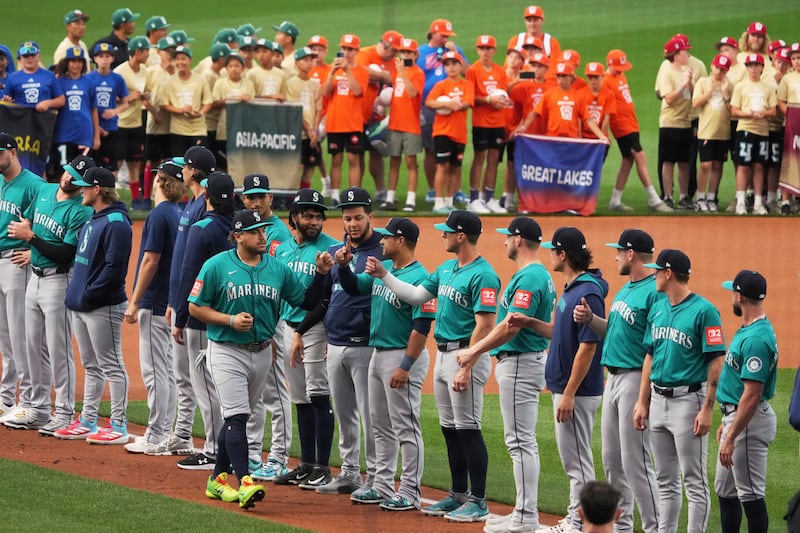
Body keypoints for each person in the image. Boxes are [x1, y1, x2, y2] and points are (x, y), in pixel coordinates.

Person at [190, 209, 331, 510]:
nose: (262, 236)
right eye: (255, 232)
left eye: (264, 231)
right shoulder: (216, 266)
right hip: (226, 350)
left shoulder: (277, 268)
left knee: (235, 418)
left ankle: (216, 480)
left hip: (262, 353)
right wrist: (228, 319)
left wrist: (320, 274)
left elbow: (307, 301)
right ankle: (245, 481)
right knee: (239, 416)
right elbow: (195, 307)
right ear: (238, 236)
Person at [366, 209, 499, 523]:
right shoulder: (447, 268)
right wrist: (384, 275)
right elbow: (414, 296)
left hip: (466, 355)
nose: (443, 235)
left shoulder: (484, 274)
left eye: (447, 231)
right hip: (443, 355)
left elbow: (486, 324)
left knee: (468, 428)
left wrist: (469, 363)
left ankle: (479, 501)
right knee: (450, 429)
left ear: (461, 235)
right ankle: (457, 495)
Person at [455, 216, 555, 533]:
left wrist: (474, 351)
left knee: (520, 443)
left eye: (507, 237)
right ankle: (521, 513)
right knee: (521, 442)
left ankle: (525, 518)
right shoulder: (534, 275)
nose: (504, 241)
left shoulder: (530, 278)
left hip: (521, 361)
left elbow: (511, 326)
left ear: (519, 240)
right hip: (524, 360)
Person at [512, 226, 608, 533]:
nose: (551, 255)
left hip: (576, 392)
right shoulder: (572, 288)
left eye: (553, 250)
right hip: (568, 388)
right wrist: (530, 322)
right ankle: (575, 517)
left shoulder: (587, 292)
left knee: (577, 461)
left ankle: (579, 521)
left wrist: (568, 393)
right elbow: (561, 333)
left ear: (562, 254)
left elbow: (588, 346)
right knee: (574, 460)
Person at [335, 217, 434, 510]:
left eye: (387, 238)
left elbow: (422, 327)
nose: (381, 241)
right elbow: (355, 288)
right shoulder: (385, 268)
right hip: (377, 353)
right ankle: (380, 484)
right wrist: (343, 267)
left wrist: (405, 365)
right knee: (379, 424)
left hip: (402, 355)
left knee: (406, 426)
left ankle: (410, 491)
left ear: (401, 241)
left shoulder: (421, 278)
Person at [572, 229, 662, 533]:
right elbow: (615, 330)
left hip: (636, 378)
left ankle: (655, 528)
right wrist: (590, 320)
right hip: (613, 378)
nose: (616, 256)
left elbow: (656, 345)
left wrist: (644, 396)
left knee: (636, 463)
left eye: (619, 251)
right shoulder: (626, 290)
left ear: (632, 253)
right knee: (612, 460)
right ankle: (620, 527)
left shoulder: (653, 293)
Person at [633, 249, 726, 533]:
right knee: (665, 480)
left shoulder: (705, 311)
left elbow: (717, 360)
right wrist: (642, 401)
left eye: (657, 270)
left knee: (694, 481)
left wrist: (708, 409)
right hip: (658, 400)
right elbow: (650, 354)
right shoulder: (659, 306)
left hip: (689, 402)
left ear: (669, 273)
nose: (654, 274)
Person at [2, 156, 92, 433]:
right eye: (67, 173)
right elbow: (26, 218)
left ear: (84, 185)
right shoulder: (44, 190)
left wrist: (32, 241)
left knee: (59, 349)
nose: (67, 180)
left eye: (74, 179)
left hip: (58, 281)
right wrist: (30, 241)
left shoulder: (81, 211)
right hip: (35, 281)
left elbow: (66, 254)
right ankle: (38, 408)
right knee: (34, 345)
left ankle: (64, 412)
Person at [309, 187, 382, 494]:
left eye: (358, 218)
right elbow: (329, 294)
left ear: (370, 217)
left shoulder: (380, 250)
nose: (352, 224)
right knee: (344, 413)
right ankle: (350, 472)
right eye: (347, 218)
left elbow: (359, 290)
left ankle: (377, 475)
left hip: (364, 344)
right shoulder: (342, 249)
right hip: (336, 342)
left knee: (370, 414)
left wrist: (341, 266)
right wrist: (323, 271)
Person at [268, 189, 338, 487]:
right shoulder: (282, 249)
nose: (313, 221)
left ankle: (323, 466)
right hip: (287, 329)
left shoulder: (331, 249)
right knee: (299, 398)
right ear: (294, 217)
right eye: (307, 215)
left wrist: (301, 331)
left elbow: (324, 299)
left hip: (316, 329)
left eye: (318, 216)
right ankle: (306, 463)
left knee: (318, 394)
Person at [57, 166, 132, 444]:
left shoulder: (116, 223)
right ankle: (88, 419)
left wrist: (88, 294)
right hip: (82, 303)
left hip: (103, 306)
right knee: (91, 365)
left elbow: (114, 269)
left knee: (112, 365)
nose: (80, 190)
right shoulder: (95, 219)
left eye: (84, 186)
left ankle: (119, 424)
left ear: (97, 189)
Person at [151, 145, 216, 461]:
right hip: (181, 303)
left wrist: (185, 305)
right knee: (184, 376)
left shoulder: (206, 204)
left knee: (204, 379)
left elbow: (199, 264)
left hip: (197, 308)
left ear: (192, 170)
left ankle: (215, 447)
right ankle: (181, 434)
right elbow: (181, 262)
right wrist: (174, 303)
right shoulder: (191, 204)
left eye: (183, 166)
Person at [170, 171, 236, 468]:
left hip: (202, 318)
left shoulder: (201, 228)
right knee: (226, 386)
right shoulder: (238, 227)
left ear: (206, 196)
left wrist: (180, 317)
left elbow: (189, 274)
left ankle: (213, 450)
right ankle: (232, 447)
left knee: (206, 386)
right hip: (231, 314)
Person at [121, 159, 184, 452]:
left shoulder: (159, 215)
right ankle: (165, 430)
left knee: (156, 372)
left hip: (155, 302)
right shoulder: (179, 212)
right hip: (167, 302)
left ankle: (157, 433)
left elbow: (150, 261)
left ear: (159, 181)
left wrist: (134, 302)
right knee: (166, 371)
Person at [240, 174, 295, 479]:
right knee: (254, 392)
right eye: (252, 197)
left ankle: (279, 457)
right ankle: (251, 453)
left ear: (271, 198)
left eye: (262, 196)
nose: (257, 202)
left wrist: (277, 324)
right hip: (250, 319)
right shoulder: (245, 228)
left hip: (272, 320)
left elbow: (284, 282)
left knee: (274, 392)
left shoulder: (280, 234)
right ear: (244, 199)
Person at [716, 270, 778, 533]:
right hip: (736, 418)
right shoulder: (751, 329)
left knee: (751, 498)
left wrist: (732, 435)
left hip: (748, 424)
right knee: (725, 491)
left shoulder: (755, 340)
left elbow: (752, 395)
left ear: (739, 296)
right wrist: (726, 421)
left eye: (733, 291)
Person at [0, 132, 45, 421]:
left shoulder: (33, 185)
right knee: (4, 337)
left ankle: (29, 399)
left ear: (13, 152)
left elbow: (48, 220)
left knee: (21, 335)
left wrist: (34, 253)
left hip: (16, 262)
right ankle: (6, 399)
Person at [603, 50, 671, 212]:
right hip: (621, 126)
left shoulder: (620, 76)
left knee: (628, 160)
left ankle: (615, 200)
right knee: (640, 156)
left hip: (632, 124)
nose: (621, 70)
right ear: (609, 64)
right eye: (618, 67)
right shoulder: (605, 81)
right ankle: (654, 199)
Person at [417, 19, 469, 205]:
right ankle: (433, 190)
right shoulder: (420, 52)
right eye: (443, 35)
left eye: (448, 35)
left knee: (456, 152)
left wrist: (455, 51)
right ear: (433, 33)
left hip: (454, 108)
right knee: (431, 150)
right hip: (427, 106)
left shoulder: (454, 50)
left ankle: (455, 192)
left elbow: (468, 72)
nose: (446, 38)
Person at [355, 30, 403, 202]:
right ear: (385, 44)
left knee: (377, 153)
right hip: (359, 115)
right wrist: (383, 76)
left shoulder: (394, 62)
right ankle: (357, 193)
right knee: (357, 154)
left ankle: (381, 191)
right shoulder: (365, 54)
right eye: (394, 50)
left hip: (378, 118)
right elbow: (360, 70)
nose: (396, 54)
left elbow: (397, 82)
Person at [466, 35, 511, 215]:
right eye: (482, 48)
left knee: (493, 159)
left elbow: (504, 94)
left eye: (488, 48)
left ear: (494, 51)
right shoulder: (473, 70)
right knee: (479, 158)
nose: (485, 52)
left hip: (498, 121)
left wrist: (501, 101)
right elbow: (470, 97)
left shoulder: (500, 71)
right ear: (478, 50)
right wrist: (488, 99)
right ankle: (474, 199)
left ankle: (489, 198)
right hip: (481, 121)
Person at [322, 34, 369, 205]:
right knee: (336, 159)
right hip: (335, 122)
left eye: (350, 49)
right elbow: (325, 92)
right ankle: (334, 196)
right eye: (344, 48)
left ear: (356, 51)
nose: (346, 52)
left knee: (353, 159)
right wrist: (332, 73)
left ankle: (354, 195)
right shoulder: (332, 69)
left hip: (354, 122)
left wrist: (348, 70)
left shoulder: (362, 71)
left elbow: (357, 91)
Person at [425, 51, 474, 214]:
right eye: (447, 64)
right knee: (442, 166)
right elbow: (429, 102)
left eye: (454, 64)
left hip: (459, 134)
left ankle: (449, 200)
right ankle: (438, 202)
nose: (451, 67)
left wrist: (457, 105)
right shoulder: (441, 86)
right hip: (442, 132)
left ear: (460, 66)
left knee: (455, 168)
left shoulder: (467, 85)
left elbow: (467, 102)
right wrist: (444, 104)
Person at [730, 53, 777, 215]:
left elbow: (773, 110)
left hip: (762, 131)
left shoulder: (768, 88)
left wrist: (763, 113)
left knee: (759, 166)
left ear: (762, 68)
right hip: (745, 129)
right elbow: (734, 110)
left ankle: (758, 203)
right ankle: (741, 202)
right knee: (743, 166)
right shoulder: (740, 87)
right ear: (747, 68)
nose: (753, 69)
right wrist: (749, 114)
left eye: (756, 65)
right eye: (750, 65)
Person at [382, 38, 424, 212]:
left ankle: (411, 200)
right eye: (404, 52)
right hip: (395, 123)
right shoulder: (396, 72)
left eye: (409, 52)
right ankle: (390, 198)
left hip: (411, 125)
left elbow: (413, 93)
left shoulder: (417, 73)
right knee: (393, 161)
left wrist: (403, 73)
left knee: (411, 162)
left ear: (415, 54)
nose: (405, 55)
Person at [48, 47, 99, 182]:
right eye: (72, 61)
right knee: (62, 171)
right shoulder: (59, 82)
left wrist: (96, 136)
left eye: (79, 61)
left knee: (82, 172)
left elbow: (93, 109)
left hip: (84, 134)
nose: (76, 65)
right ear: (67, 63)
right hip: (63, 134)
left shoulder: (89, 82)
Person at [692, 54, 733, 212]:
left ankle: (711, 198)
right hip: (706, 132)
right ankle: (700, 197)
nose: (719, 72)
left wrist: (725, 94)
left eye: (723, 70)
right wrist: (709, 92)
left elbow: (732, 110)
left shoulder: (729, 85)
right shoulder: (702, 82)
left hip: (723, 133)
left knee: (717, 165)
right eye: (717, 68)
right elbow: (695, 103)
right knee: (705, 165)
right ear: (711, 66)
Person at [112, 36, 151, 201]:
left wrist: (145, 95)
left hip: (136, 122)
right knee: (117, 163)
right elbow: (111, 96)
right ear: (138, 52)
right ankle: (109, 196)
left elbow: (145, 90)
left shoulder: (145, 71)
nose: (148, 54)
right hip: (121, 123)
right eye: (146, 51)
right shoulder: (120, 72)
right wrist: (129, 97)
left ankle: (136, 199)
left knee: (134, 163)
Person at [658, 38, 695, 209]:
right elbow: (669, 99)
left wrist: (691, 83)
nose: (688, 53)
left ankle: (684, 196)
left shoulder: (687, 70)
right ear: (677, 55)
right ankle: (667, 196)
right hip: (670, 122)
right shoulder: (668, 73)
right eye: (685, 51)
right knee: (668, 161)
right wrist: (683, 85)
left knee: (684, 162)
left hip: (685, 123)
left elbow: (693, 96)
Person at [162, 46, 213, 157]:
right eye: (177, 59)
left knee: (198, 164)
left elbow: (208, 102)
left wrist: (200, 113)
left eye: (183, 58)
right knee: (179, 163)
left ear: (190, 60)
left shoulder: (200, 79)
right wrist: (180, 110)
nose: (180, 62)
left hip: (198, 129)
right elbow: (164, 104)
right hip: (178, 129)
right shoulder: (169, 81)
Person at [87, 43, 129, 174]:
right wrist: (95, 127)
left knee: (111, 166)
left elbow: (125, 103)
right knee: (93, 164)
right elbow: (86, 105)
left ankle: (108, 192)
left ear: (112, 59)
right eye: (101, 56)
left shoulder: (117, 79)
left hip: (111, 126)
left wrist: (114, 111)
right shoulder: (89, 78)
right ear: (95, 59)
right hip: (93, 128)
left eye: (107, 56)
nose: (104, 59)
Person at [284, 47, 323, 189]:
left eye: (311, 60)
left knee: (309, 168)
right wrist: (309, 129)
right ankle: (291, 198)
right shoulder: (291, 83)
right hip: (297, 132)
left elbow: (318, 109)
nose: (309, 63)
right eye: (305, 60)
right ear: (297, 63)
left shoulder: (316, 85)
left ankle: (303, 197)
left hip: (311, 133)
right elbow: (294, 110)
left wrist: (315, 130)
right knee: (296, 167)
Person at [1, 41, 65, 113]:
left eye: (33, 55)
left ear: (39, 57)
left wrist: (48, 103)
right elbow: (4, 102)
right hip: (20, 121)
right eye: (26, 56)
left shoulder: (49, 76)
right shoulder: (13, 78)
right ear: (21, 58)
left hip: (43, 120)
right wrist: (6, 102)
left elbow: (61, 100)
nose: (29, 58)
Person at [778, 43, 800, 214]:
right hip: (792, 123)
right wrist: (791, 116)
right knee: (789, 159)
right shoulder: (787, 78)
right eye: (793, 59)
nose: (796, 61)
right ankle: (786, 201)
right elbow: (781, 101)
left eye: (799, 58)